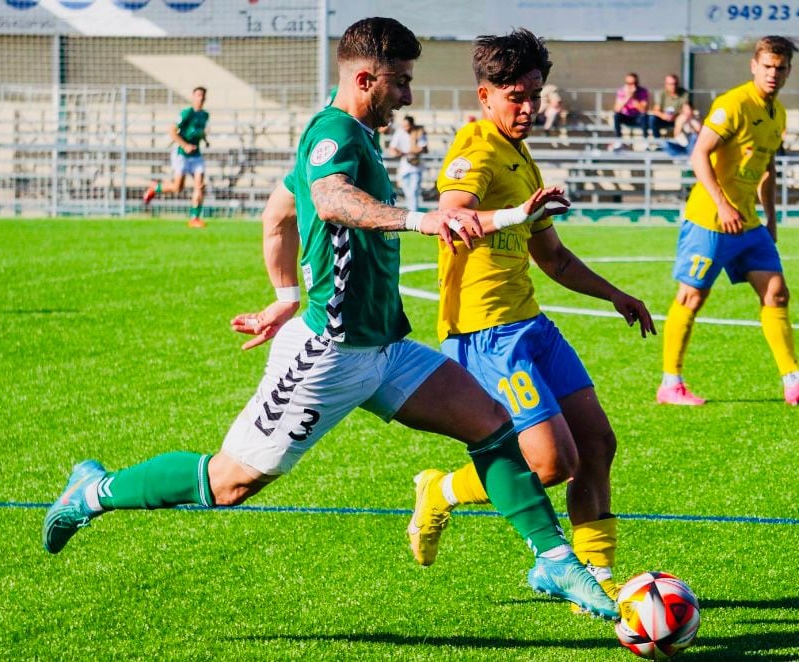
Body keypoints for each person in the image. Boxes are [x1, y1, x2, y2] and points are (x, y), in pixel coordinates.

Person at [42, 17, 618, 621]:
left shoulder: (360, 135)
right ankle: (95, 491)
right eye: (400, 82)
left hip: (385, 347)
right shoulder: (335, 132)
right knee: (230, 483)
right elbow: (329, 199)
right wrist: (416, 220)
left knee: (491, 425)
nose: (408, 96)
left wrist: (286, 291)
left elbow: (278, 213)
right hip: (330, 352)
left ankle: (555, 561)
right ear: (366, 77)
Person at [406, 31, 656, 612]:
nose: (528, 108)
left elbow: (555, 258)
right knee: (550, 464)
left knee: (597, 444)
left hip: (531, 324)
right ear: (485, 95)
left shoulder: (520, 151)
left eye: (535, 96)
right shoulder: (474, 148)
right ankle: (440, 489)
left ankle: (597, 577)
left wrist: (616, 295)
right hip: (483, 334)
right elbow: (452, 214)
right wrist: (517, 212)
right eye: (515, 96)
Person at [658, 35, 799, 406]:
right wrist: (722, 205)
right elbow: (699, 155)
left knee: (777, 293)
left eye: (780, 68)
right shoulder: (732, 104)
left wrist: (771, 219)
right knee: (692, 296)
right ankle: (670, 383)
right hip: (710, 220)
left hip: (750, 224)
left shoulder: (778, 114)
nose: (773, 73)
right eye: (767, 66)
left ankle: (793, 381)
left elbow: (767, 169)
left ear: (788, 71)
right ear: (754, 66)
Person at [143, 86, 210, 229]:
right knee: (177, 187)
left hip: (196, 155)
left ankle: (195, 218)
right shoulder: (186, 113)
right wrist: (185, 145)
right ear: (193, 97)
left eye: (203, 96)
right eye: (198, 95)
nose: (201, 98)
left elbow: (200, 131)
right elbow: (172, 132)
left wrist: (205, 139)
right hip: (182, 154)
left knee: (199, 185)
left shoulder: (205, 115)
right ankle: (154, 188)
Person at [389, 115, 428, 211]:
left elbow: (421, 148)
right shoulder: (400, 132)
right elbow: (392, 148)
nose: (405, 128)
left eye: (407, 125)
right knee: (408, 192)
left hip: (416, 166)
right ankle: (411, 213)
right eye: (403, 125)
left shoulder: (418, 132)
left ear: (412, 125)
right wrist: (398, 152)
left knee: (414, 191)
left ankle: (413, 213)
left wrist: (405, 152)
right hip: (404, 166)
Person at [611, 73, 649, 150]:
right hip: (626, 116)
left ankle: (645, 140)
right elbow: (617, 109)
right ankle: (618, 140)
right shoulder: (621, 91)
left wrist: (634, 97)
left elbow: (643, 110)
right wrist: (627, 97)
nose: (631, 85)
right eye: (629, 83)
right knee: (616, 116)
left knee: (645, 116)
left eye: (634, 83)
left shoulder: (643, 91)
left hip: (637, 117)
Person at [647, 74, 689, 140]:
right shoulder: (661, 93)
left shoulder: (683, 93)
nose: (673, 86)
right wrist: (663, 116)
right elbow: (656, 110)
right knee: (652, 119)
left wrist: (676, 116)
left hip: (677, 118)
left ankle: (680, 142)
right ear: (666, 84)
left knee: (685, 119)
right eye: (671, 84)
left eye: (675, 84)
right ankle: (657, 141)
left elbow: (686, 108)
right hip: (663, 119)